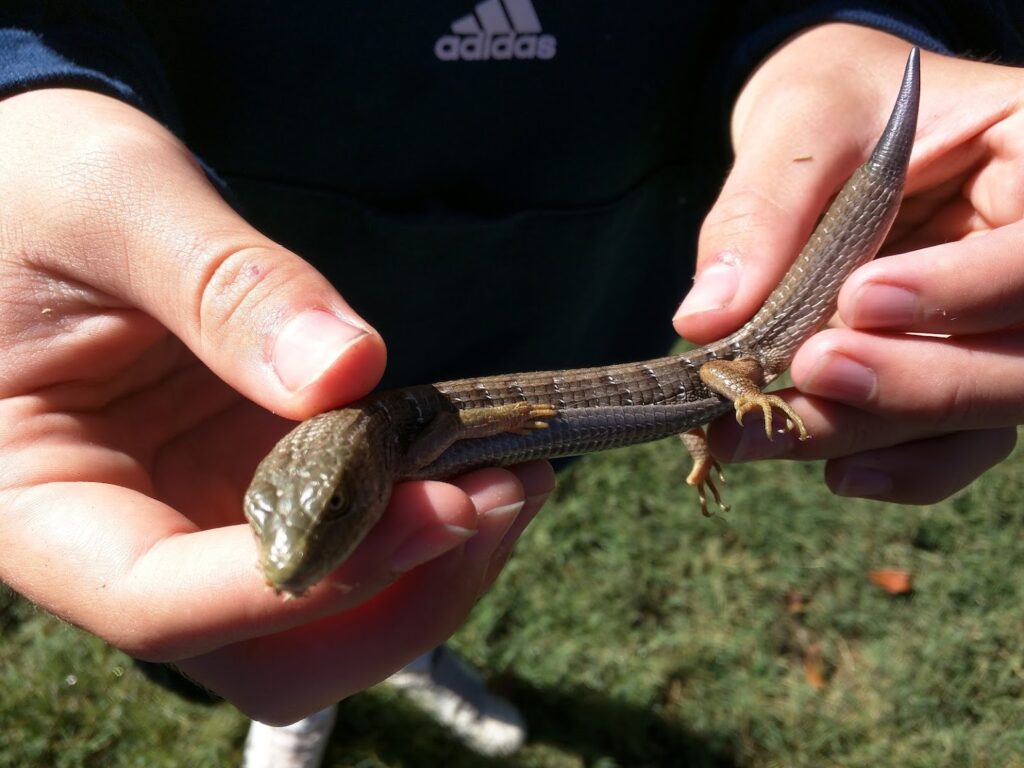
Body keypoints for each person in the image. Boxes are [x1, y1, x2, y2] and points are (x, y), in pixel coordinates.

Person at [1, 3, 1023, 765]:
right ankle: (314, 692)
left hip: (654, 327)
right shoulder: (372, 437)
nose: (302, 530)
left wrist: (864, 27)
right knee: (374, 552)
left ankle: (397, 648)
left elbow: (559, 417)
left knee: (453, 525)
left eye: (325, 509)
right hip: (226, 327)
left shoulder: (416, 442)